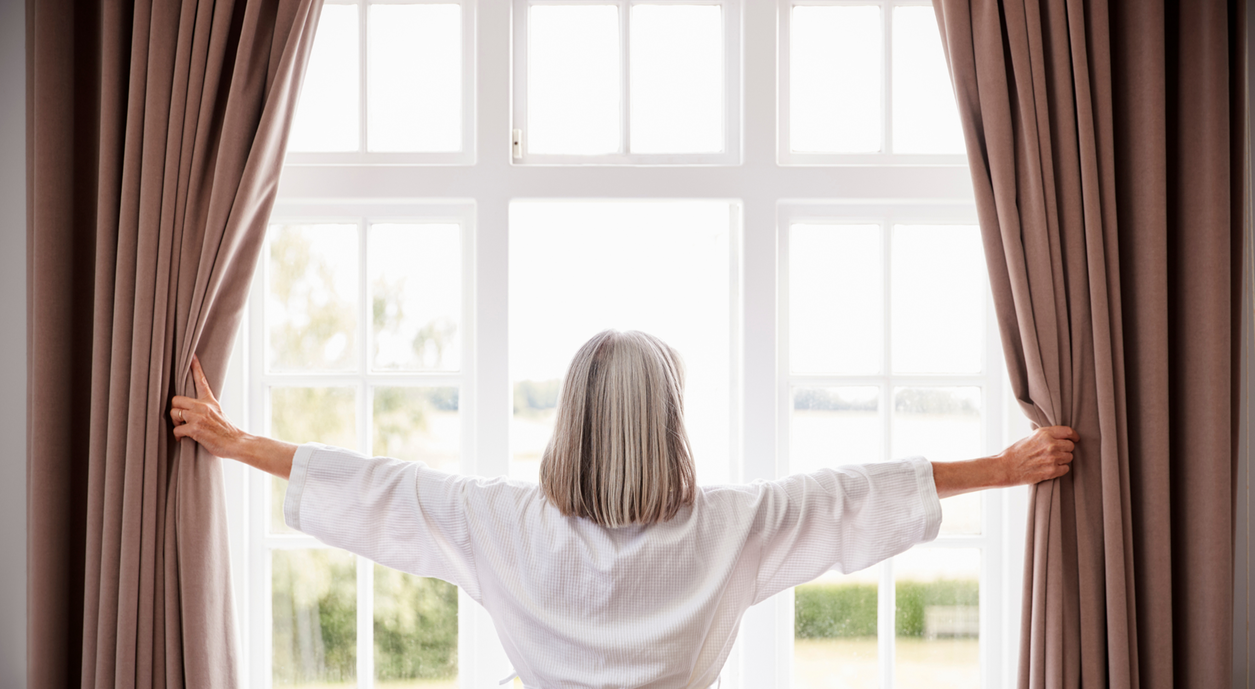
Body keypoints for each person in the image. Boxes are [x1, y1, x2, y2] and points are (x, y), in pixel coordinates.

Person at [170, 330, 1076, 689]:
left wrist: (236, 438)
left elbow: (373, 484)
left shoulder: (506, 521)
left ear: (570, 422)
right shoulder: (729, 524)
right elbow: (855, 494)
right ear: (670, 425)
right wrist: (1003, 466)